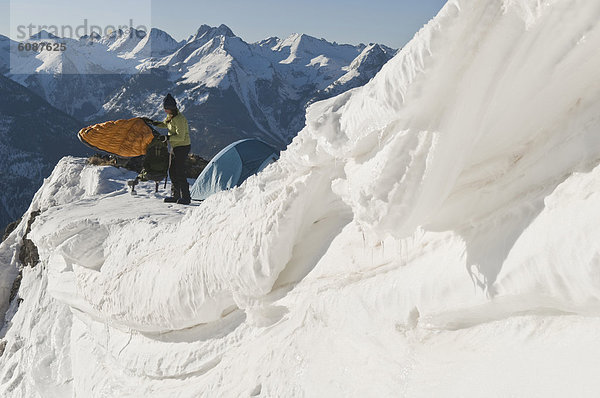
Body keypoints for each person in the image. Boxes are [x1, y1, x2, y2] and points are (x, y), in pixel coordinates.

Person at [150, 94, 192, 204]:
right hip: (175, 146)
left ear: (171, 108)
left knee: (179, 170)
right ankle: (175, 195)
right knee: (172, 170)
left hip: (183, 146)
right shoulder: (170, 117)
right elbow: (165, 125)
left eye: (166, 108)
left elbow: (181, 136)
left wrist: (167, 137)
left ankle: (186, 197)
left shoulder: (179, 119)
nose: (164, 110)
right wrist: (153, 123)